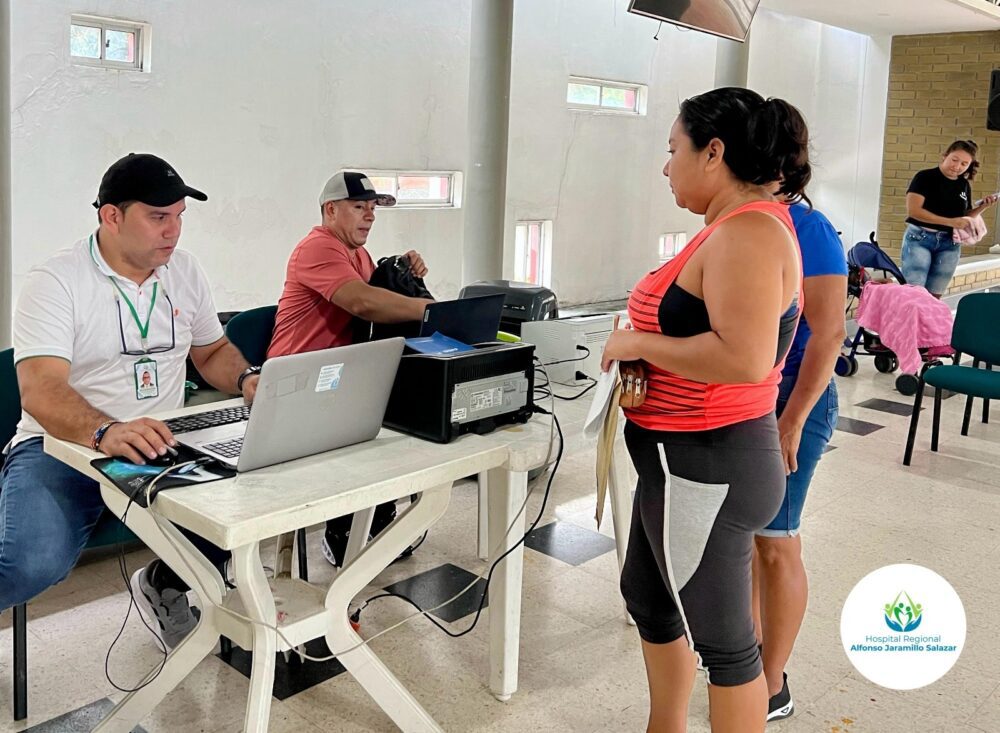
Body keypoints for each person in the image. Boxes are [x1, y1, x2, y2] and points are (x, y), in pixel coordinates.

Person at [601, 86, 809, 732]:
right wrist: (650, 351)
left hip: (709, 461)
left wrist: (636, 341)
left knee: (724, 642)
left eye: (674, 150)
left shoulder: (748, 232)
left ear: (713, 151)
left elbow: (744, 357)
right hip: (683, 460)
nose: (667, 167)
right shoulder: (732, 228)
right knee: (650, 598)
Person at [0, 153, 261, 650]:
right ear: (111, 216)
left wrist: (247, 379)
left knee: (247, 505)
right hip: (63, 446)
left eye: (180, 217)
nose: (174, 232)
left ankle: (164, 582)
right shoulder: (55, 281)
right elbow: (41, 389)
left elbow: (210, 352)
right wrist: (106, 432)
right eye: (159, 217)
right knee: (31, 563)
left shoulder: (183, 271)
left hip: (162, 441)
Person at [268, 170, 433, 566]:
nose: (370, 216)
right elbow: (362, 302)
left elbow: (376, 298)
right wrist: (435, 311)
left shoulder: (358, 254)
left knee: (395, 417)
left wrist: (402, 270)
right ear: (330, 210)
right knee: (365, 432)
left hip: (338, 373)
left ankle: (377, 519)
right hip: (297, 379)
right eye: (359, 207)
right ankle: (341, 532)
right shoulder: (317, 247)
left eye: (372, 208)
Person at [751, 197, 847, 722]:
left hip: (793, 402)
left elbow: (829, 332)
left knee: (776, 541)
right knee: (750, 538)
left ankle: (773, 683)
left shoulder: (810, 229)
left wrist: (791, 421)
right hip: (749, 400)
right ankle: (748, 656)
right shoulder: (742, 219)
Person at [901, 139, 999, 297]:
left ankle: (929, 322)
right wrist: (950, 222)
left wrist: (983, 207)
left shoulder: (963, 185)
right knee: (914, 293)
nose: (957, 166)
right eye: (954, 160)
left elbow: (964, 216)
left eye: (964, 164)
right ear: (945, 156)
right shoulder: (925, 177)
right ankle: (911, 322)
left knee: (935, 294)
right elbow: (914, 211)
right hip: (920, 238)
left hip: (949, 243)